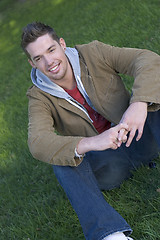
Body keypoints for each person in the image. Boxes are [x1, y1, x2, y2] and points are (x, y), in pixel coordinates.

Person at [21, 22, 160, 240]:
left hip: (140, 133)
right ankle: (111, 235)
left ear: (62, 44)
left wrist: (139, 104)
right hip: (109, 166)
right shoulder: (39, 96)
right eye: (39, 58)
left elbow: (147, 59)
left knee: (154, 91)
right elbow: (37, 141)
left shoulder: (93, 53)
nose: (49, 62)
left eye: (51, 50)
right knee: (62, 160)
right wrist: (92, 143)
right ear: (32, 63)